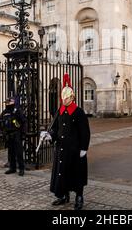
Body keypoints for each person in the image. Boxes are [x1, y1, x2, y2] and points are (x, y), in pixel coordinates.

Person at [48, 74, 90, 210]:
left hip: (75, 150)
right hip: (61, 149)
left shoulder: (79, 112)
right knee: (62, 173)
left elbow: (85, 131)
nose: (64, 100)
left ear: (72, 97)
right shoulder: (59, 111)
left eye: (66, 98)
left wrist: (84, 148)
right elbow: (55, 128)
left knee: (76, 174)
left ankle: (79, 197)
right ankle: (63, 195)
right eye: (62, 97)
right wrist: (50, 136)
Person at [0, 97, 25, 176]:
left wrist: (23, 133)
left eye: (8, 102)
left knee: (19, 153)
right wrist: (2, 133)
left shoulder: (17, 111)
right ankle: (12, 168)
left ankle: (21, 168)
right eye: (6, 102)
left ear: (13, 102)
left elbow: (23, 122)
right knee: (11, 153)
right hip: (8, 135)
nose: (7, 104)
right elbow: (0, 123)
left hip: (16, 134)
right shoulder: (4, 112)